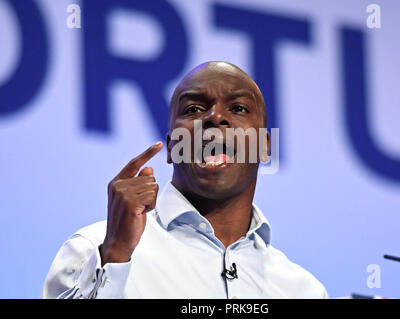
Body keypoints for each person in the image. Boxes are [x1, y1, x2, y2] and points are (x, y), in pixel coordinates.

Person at [41, 61, 328, 299]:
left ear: (265, 146)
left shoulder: (303, 290)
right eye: (193, 109)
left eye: (238, 108)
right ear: (172, 147)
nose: (215, 117)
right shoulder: (94, 248)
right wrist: (115, 256)